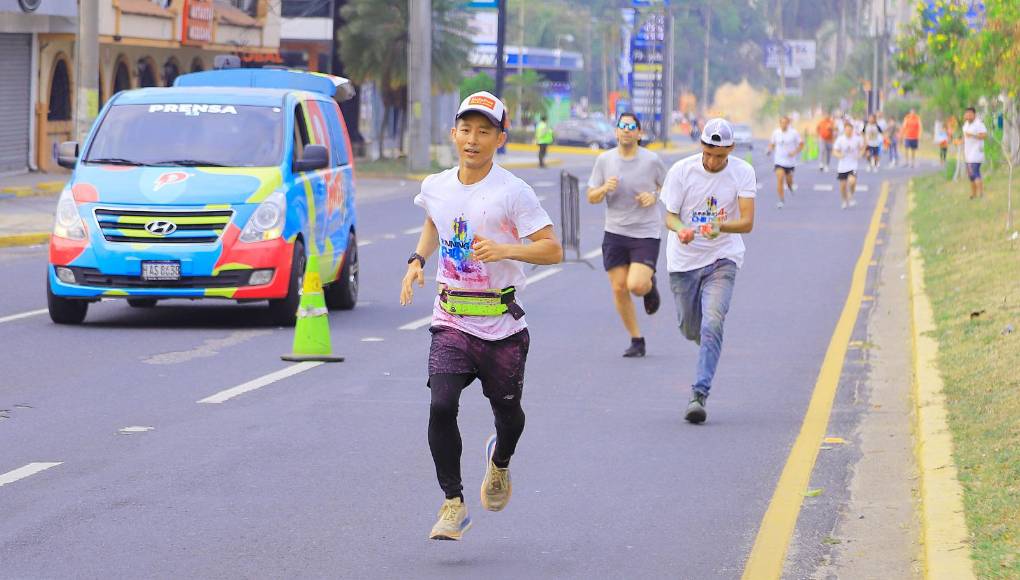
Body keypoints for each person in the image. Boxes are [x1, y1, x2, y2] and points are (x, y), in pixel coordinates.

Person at [400, 91, 563, 541]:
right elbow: (436, 218)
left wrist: (507, 248)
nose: (473, 139)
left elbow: (553, 248)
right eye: (466, 130)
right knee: (441, 405)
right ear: (454, 133)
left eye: (484, 131)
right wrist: (416, 260)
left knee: (508, 415)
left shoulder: (514, 192)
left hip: (501, 325)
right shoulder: (436, 185)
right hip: (451, 316)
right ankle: (453, 503)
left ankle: (501, 461)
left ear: (500, 138)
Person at [660, 118, 756, 424]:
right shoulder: (682, 171)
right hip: (684, 262)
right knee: (690, 328)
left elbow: (747, 222)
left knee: (713, 322)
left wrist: (718, 226)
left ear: (730, 150)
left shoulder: (742, 172)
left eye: (720, 155)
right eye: (708, 153)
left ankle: (698, 394)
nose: (713, 161)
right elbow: (670, 217)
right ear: (701, 146)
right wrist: (683, 230)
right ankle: (706, 342)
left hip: (722, 258)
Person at [587, 112, 669, 357]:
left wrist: (653, 196)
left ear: (639, 133)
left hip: (645, 232)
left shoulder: (651, 160)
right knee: (619, 288)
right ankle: (637, 339)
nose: (626, 130)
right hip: (615, 232)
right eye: (622, 126)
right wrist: (604, 188)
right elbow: (591, 196)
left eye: (632, 127)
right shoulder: (604, 160)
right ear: (616, 132)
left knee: (636, 285)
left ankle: (649, 285)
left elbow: (668, 188)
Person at [767, 116, 803, 209]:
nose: (784, 125)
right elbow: (772, 143)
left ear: (788, 123)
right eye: (782, 123)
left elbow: (801, 144)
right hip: (779, 161)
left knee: (788, 181)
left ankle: (790, 187)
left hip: (790, 162)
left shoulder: (793, 133)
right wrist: (769, 149)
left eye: (785, 123)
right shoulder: (776, 132)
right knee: (780, 178)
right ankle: (781, 199)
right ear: (780, 123)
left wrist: (795, 152)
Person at [833, 121, 864, 210]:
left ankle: (851, 195)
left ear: (852, 130)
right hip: (842, 166)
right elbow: (835, 151)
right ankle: (844, 200)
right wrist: (839, 155)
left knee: (852, 181)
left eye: (850, 130)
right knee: (843, 186)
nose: (848, 131)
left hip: (853, 164)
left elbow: (862, 148)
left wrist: (860, 154)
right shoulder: (840, 139)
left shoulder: (857, 139)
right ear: (844, 130)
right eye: (847, 130)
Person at [962, 106, 987, 199]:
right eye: (966, 114)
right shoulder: (965, 125)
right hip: (968, 154)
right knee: (971, 175)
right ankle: (973, 194)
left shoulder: (979, 124)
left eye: (970, 114)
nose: (968, 115)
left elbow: (984, 135)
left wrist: (972, 135)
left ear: (974, 114)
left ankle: (981, 194)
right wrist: (960, 141)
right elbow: (965, 137)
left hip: (977, 153)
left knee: (975, 172)